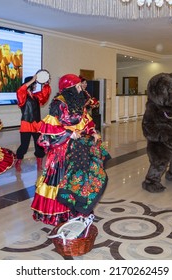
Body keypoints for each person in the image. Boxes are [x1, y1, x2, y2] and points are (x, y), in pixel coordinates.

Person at [31, 74, 111, 226]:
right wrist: (69, 133)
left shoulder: (78, 103)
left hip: (78, 147)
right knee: (60, 178)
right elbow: (50, 128)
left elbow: (86, 121)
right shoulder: (58, 104)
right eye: (79, 86)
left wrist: (93, 131)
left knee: (79, 178)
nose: (81, 89)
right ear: (70, 88)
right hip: (61, 150)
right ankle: (58, 212)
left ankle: (76, 208)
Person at [15, 75, 51, 172]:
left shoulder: (35, 96)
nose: (35, 86)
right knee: (24, 145)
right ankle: (18, 161)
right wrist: (32, 80)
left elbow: (44, 95)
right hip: (26, 123)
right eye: (34, 84)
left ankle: (39, 163)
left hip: (37, 123)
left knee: (39, 144)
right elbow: (20, 90)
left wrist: (46, 83)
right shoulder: (23, 96)